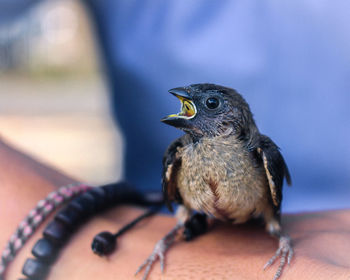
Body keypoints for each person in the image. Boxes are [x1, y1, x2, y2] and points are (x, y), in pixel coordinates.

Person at [0, 1, 350, 279]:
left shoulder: (261, 154)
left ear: (232, 122)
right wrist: (78, 246)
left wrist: (285, 243)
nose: (195, 106)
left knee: (279, 234)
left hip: (312, 237)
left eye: (211, 105)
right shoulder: (180, 154)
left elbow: (276, 213)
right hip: (163, 226)